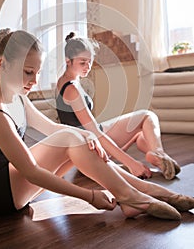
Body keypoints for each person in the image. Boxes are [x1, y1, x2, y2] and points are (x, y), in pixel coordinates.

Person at [0, 29, 194, 220]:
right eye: (28, 72)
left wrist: (89, 137)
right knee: (70, 139)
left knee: (75, 138)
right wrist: (90, 196)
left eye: (37, 72)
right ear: (3, 64)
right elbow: (32, 172)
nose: (34, 81)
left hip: (12, 186)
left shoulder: (18, 98)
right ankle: (133, 196)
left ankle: (142, 192)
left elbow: (52, 128)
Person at [56, 32, 181, 181]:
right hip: (90, 147)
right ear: (68, 61)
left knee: (141, 134)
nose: (88, 67)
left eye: (90, 62)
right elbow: (94, 131)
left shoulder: (62, 81)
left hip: (86, 144)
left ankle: (162, 160)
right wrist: (131, 164)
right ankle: (158, 152)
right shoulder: (72, 90)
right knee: (147, 116)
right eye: (82, 62)